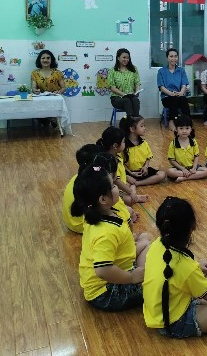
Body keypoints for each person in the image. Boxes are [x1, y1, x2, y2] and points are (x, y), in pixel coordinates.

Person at [143, 196, 207, 337]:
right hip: (174, 323)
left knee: (206, 273)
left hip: (154, 313)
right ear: (192, 227)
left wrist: (197, 267)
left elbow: (174, 272)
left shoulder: (156, 245)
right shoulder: (186, 266)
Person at [71, 165, 151, 311]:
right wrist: (132, 277)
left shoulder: (96, 213)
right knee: (160, 283)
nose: (117, 187)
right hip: (106, 292)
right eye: (113, 185)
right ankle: (141, 277)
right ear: (103, 199)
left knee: (146, 239)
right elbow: (102, 270)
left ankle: (141, 273)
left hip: (116, 268)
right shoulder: (105, 232)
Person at [62, 145, 136, 233]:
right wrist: (127, 213)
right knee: (127, 210)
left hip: (73, 220)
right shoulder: (99, 183)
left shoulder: (83, 178)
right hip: (84, 223)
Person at [96, 126, 148, 207]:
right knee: (129, 199)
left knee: (131, 184)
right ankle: (134, 196)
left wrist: (127, 177)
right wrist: (130, 192)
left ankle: (132, 195)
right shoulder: (108, 161)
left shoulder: (117, 156)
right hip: (110, 190)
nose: (125, 144)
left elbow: (120, 173)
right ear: (115, 145)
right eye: (123, 142)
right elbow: (116, 180)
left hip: (119, 187)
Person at [120, 116, 167, 186]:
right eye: (141, 126)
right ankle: (132, 181)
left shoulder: (144, 143)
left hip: (142, 171)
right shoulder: (123, 146)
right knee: (123, 182)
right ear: (132, 129)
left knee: (162, 174)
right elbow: (121, 163)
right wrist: (130, 173)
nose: (144, 128)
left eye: (144, 125)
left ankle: (137, 183)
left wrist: (146, 167)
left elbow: (148, 157)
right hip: (129, 172)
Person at [166, 115, 207, 182]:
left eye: (187, 128)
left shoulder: (193, 142)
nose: (184, 131)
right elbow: (171, 160)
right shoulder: (173, 143)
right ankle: (193, 176)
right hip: (179, 168)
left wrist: (194, 168)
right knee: (169, 172)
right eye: (181, 128)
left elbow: (196, 156)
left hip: (192, 167)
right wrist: (182, 169)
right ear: (176, 129)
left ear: (191, 129)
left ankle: (184, 178)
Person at [157, 48, 190, 132]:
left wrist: (181, 92)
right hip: (167, 97)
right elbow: (161, 87)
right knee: (173, 100)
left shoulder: (181, 70)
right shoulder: (161, 71)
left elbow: (184, 84)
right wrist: (170, 93)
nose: (173, 58)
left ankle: (187, 122)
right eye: (171, 56)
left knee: (184, 100)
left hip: (179, 95)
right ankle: (171, 121)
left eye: (175, 56)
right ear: (167, 58)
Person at [31, 49, 66, 127]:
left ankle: (51, 119)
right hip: (41, 100)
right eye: (43, 58)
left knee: (51, 113)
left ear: (51, 60)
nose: (45, 60)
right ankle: (48, 120)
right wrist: (35, 90)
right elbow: (33, 88)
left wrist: (59, 92)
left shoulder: (58, 73)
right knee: (37, 112)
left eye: (48, 58)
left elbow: (63, 87)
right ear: (39, 60)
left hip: (54, 100)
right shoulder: (34, 73)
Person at [108, 48, 141, 117]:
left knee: (135, 100)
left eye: (128, 58)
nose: (126, 59)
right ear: (118, 58)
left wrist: (137, 92)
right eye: (124, 57)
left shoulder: (134, 69)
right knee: (127, 100)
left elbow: (137, 83)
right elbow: (112, 87)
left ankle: (135, 119)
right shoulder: (112, 71)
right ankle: (131, 121)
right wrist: (124, 95)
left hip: (131, 96)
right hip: (117, 98)